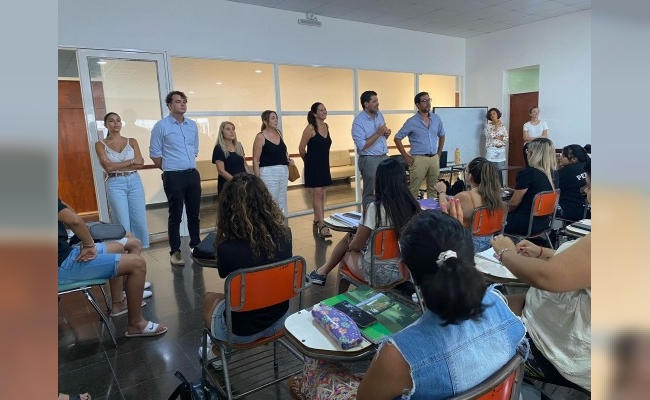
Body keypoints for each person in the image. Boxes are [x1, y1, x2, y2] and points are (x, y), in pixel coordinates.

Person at [291, 206, 527, 399]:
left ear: (404, 270)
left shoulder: (398, 356)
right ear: (467, 257)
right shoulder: (502, 307)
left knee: (313, 367)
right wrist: (452, 239)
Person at [489, 158, 591, 394]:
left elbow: (547, 278)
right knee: (493, 304)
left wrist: (505, 252)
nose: (585, 193)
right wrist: (543, 252)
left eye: (588, 185)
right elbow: (584, 264)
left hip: (560, 351)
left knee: (481, 322)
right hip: (547, 314)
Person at [200, 174, 292, 358]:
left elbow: (223, 272)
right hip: (280, 320)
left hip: (240, 332)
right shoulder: (285, 234)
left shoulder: (226, 248)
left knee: (209, 297)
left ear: (228, 208)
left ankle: (217, 352)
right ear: (266, 201)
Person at [58, 199, 167, 337]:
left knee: (118, 247)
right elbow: (74, 221)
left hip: (63, 255)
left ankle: (118, 303)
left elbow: (69, 215)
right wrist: (89, 245)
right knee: (138, 264)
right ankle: (136, 324)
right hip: (61, 265)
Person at [307, 158, 420, 288]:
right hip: (405, 270)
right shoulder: (413, 206)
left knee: (345, 254)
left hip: (378, 274)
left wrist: (350, 243)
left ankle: (330, 286)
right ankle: (321, 273)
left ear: (380, 181)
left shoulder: (375, 208)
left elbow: (357, 246)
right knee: (352, 242)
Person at [149, 90, 201, 266]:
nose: (182, 104)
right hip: (173, 176)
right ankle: (175, 251)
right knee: (175, 215)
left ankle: (196, 246)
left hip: (192, 174)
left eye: (184, 101)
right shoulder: (161, 126)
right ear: (169, 105)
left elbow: (195, 148)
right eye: (178, 101)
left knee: (194, 214)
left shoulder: (192, 125)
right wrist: (170, 168)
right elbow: (155, 153)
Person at [94, 112, 149, 249]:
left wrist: (117, 165)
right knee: (122, 220)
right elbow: (108, 168)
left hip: (134, 180)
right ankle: (124, 249)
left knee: (139, 219)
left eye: (118, 120)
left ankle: (141, 247)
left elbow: (140, 164)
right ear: (105, 125)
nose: (116, 123)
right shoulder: (100, 144)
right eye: (112, 121)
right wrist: (131, 161)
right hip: (115, 183)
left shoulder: (132, 141)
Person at [435, 157, 505, 252]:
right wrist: (450, 197)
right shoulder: (494, 196)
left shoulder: (466, 196)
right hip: (491, 243)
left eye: (466, 171)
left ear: (470, 176)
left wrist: (442, 191)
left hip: (471, 245)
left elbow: (444, 207)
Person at [393, 92, 446, 200]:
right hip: (419, 159)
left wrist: (439, 153)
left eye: (429, 100)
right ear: (417, 105)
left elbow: (442, 135)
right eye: (424, 101)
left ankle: (431, 209)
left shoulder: (436, 118)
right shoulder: (411, 122)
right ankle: (411, 210)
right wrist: (406, 156)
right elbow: (397, 138)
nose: (428, 103)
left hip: (434, 158)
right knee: (413, 189)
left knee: (433, 188)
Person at [504, 137, 556, 236]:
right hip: (543, 222)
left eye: (528, 151)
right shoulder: (553, 174)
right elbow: (535, 191)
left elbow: (513, 203)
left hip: (523, 224)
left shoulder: (529, 173)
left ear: (534, 154)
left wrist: (500, 213)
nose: (527, 154)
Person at [352, 90, 392, 208]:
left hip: (383, 156)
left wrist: (386, 134)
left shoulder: (379, 115)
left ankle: (383, 216)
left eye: (377, 100)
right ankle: (368, 218)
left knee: (386, 190)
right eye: (374, 101)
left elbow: (382, 136)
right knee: (370, 193)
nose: (377, 103)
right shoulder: (359, 122)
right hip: (369, 159)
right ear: (366, 104)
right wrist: (378, 133)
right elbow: (362, 146)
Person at [299, 102, 333, 239]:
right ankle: (322, 225)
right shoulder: (310, 128)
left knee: (322, 194)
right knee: (318, 194)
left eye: (325, 109)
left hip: (324, 164)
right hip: (313, 165)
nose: (324, 111)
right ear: (314, 113)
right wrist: (308, 163)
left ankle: (317, 219)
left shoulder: (326, 126)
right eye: (321, 110)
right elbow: (301, 148)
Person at [252, 110, 295, 216]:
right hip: (268, 172)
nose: (276, 120)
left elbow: (283, 152)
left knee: (281, 201)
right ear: (265, 121)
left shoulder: (279, 133)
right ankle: (269, 223)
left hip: (283, 171)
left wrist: (289, 160)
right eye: (273, 118)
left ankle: (279, 223)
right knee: (270, 201)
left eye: (276, 118)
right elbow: (256, 160)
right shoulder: (260, 136)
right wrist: (257, 180)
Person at [211, 121, 250, 195]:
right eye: (228, 129)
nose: (232, 132)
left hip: (242, 184)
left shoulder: (239, 145)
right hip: (228, 185)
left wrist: (251, 179)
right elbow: (221, 171)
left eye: (233, 129)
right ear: (222, 132)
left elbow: (244, 164)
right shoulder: (219, 148)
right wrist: (236, 182)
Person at [558, 144, 590, 221]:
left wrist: (557, 169)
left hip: (573, 214)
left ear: (574, 159)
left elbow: (552, 188)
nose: (560, 158)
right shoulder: (589, 166)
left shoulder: (565, 172)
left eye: (563, 156)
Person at [484, 107, 508, 186]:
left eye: (494, 114)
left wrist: (498, 137)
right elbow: (490, 136)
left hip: (501, 149)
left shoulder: (502, 125)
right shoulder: (487, 126)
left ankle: (500, 187)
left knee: (499, 170)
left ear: (497, 114)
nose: (492, 116)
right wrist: (496, 126)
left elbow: (506, 138)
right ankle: (490, 187)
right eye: (491, 115)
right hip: (492, 149)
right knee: (491, 170)